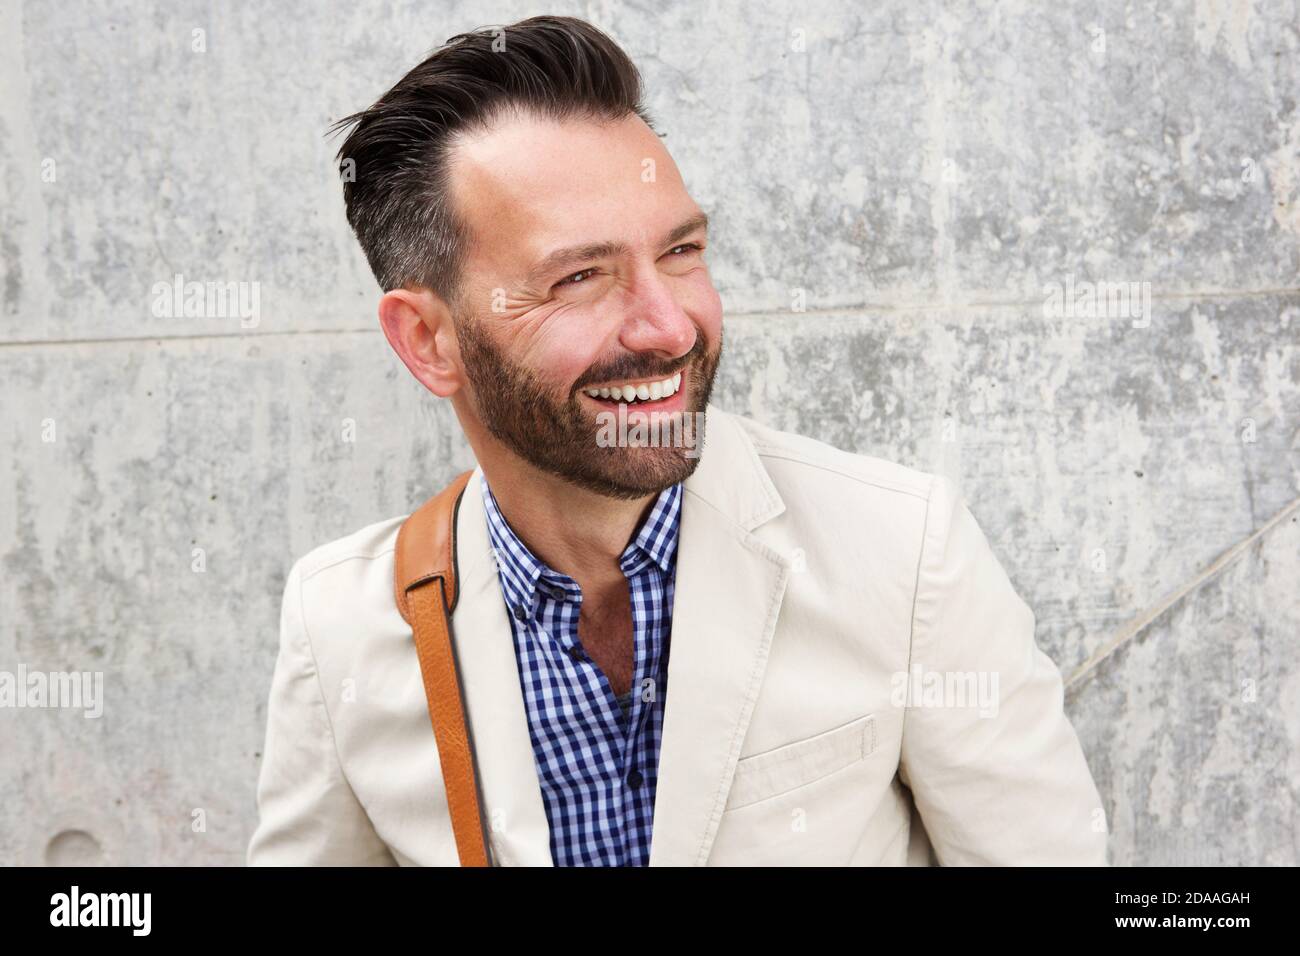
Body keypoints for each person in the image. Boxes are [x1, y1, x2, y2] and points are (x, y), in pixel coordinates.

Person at [247, 14, 1108, 866]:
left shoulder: (903, 552)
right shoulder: (342, 626)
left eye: (682, 250)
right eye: (580, 277)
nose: (669, 327)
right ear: (429, 342)